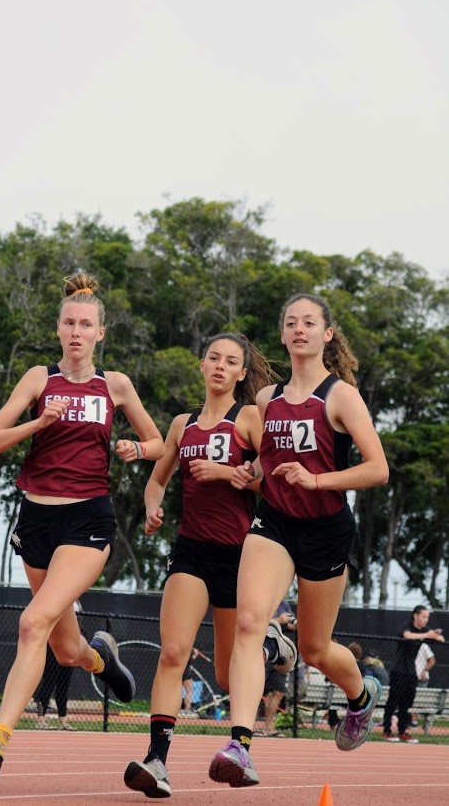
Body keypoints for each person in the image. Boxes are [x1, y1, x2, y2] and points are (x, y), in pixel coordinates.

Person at [0, 272, 165, 788]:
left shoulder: (114, 385)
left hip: (88, 520)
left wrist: (136, 450)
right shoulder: (37, 379)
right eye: (69, 323)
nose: (77, 331)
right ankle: (103, 661)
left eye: (86, 324)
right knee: (63, 647)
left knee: (33, 623)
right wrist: (38, 424)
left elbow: (159, 441)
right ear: (59, 330)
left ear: (100, 333)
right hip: (37, 520)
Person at [208, 292, 390, 788]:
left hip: (327, 529)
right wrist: (250, 473)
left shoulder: (340, 396)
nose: (299, 329)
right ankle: (239, 745)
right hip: (275, 524)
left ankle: (361, 696)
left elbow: (377, 469)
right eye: (291, 322)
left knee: (314, 648)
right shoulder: (265, 400)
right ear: (283, 334)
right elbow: (267, 463)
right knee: (249, 622)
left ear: (326, 334)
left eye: (310, 322)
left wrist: (317, 481)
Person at [124, 332, 293, 799]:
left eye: (231, 361)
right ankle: (157, 761)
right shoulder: (182, 425)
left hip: (242, 556)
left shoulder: (251, 418)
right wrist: (154, 507)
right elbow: (157, 480)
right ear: (202, 365)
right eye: (213, 358)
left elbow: (276, 481)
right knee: (173, 652)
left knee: (225, 675)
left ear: (242, 373)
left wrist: (229, 474)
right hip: (191, 551)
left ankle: (266, 649)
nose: (220, 366)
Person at [382, 605, 444, 743]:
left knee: (407, 703)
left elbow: (441, 639)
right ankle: (386, 731)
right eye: (423, 616)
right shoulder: (407, 626)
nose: (426, 620)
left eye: (427, 617)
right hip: (398, 671)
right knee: (393, 702)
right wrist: (427, 635)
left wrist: (435, 634)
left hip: (411, 672)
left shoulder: (425, 631)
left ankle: (402, 731)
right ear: (415, 616)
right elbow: (408, 636)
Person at [256, 601, 297, 737]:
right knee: (255, 689)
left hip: (281, 651)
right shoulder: (261, 598)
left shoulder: (284, 603)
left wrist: (292, 624)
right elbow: (254, 621)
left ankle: (268, 727)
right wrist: (279, 620)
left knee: (278, 691)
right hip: (264, 648)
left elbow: (291, 620)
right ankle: (247, 727)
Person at [35, 643, 76, 730]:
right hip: (53, 653)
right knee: (48, 684)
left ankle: (63, 721)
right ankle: (40, 720)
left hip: (68, 653)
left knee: (63, 687)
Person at [409, 641, 436, 729]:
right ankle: (415, 720)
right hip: (409, 677)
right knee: (411, 699)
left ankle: (416, 720)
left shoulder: (423, 646)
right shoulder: (406, 645)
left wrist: (425, 670)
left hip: (421, 678)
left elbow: (432, 660)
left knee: (419, 700)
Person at [180, 647, 200, 717]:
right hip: (186, 674)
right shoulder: (186, 654)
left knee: (179, 691)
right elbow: (189, 660)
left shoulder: (180, 652)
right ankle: (187, 710)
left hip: (179, 672)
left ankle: (177, 708)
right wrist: (195, 654)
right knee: (189, 692)